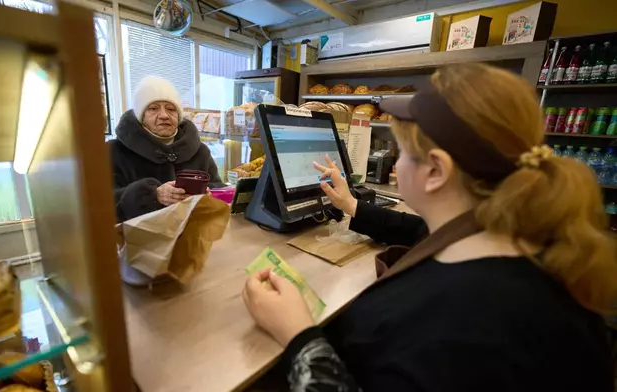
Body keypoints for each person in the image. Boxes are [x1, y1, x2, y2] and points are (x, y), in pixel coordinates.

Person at [242, 64, 617, 391]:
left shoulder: (454, 326)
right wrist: (353, 207)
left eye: (402, 152)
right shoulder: (516, 240)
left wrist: (298, 336)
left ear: (436, 171)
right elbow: (421, 231)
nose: (395, 164)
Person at [109, 76, 222, 222]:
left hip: (193, 238)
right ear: (140, 117)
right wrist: (151, 195)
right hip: (136, 241)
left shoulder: (200, 152)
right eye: (153, 108)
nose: (164, 115)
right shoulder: (114, 151)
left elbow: (218, 188)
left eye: (170, 109)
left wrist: (208, 197)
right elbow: (101, 203)